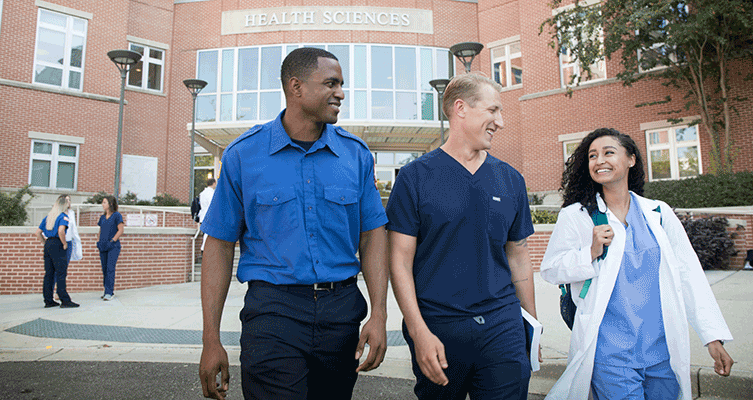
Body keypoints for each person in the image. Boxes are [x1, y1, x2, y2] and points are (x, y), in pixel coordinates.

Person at [198, 47, 388, 400]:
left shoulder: (356, 155)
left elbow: (373, 236)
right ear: (296, 87)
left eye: (342, 84)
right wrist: (211, 340)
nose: (341, 93)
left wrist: (379, 314)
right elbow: (219, 246)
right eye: (331, 83)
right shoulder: (243, 155)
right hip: (273, 313)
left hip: (341, 313)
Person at [540, 128, 734, 400]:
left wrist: (712, 337)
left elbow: (689, 275)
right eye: (592, 156)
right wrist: (591, 251)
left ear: (631, 159)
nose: (599, 160)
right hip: (610, 354)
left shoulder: (658, 213)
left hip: (661, 352)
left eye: (609, 152)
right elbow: (551, 269)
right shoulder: (577, 216)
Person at [386, 73, 537, 400]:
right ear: (460, 109)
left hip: (502, 325)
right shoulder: (414, 178)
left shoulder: (510, 179)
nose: (501, 121)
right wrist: (418, 332)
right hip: (438, 327)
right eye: (493, 110)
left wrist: (532, 327)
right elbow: (399, 262)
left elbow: (519, 256)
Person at [35, 196, 80, 308]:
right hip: (58, 245)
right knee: (61, 273)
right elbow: (61, 231)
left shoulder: (48, 217)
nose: (70, 203)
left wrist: (45, 243)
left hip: (49, 244)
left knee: (49, 274)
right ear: (64, 204)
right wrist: (64, 243)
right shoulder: (63, 216)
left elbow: (38, 233)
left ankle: (48, 300)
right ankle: (65, 300)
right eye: (68, 201)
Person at [97, 195, 124, 301]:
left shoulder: (117, 215)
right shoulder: (102, 217)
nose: (102, 204)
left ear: (110, 204)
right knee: (104, 269)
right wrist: (98, 241)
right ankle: (106, 291)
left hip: (113, 246)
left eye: (104, 202)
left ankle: (109, 292)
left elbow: (120, 230)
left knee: (110, 268)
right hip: (102, 245)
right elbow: (100, 230)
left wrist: (113, 240)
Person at [199, 178, 217, 251]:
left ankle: (204, 249)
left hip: (203, 216)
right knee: (208, 234)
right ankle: (204, 249)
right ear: (214, 183)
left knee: (205, 234)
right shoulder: (211, 193)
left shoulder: (203, 193)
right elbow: (212, 205)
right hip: (208, 216)